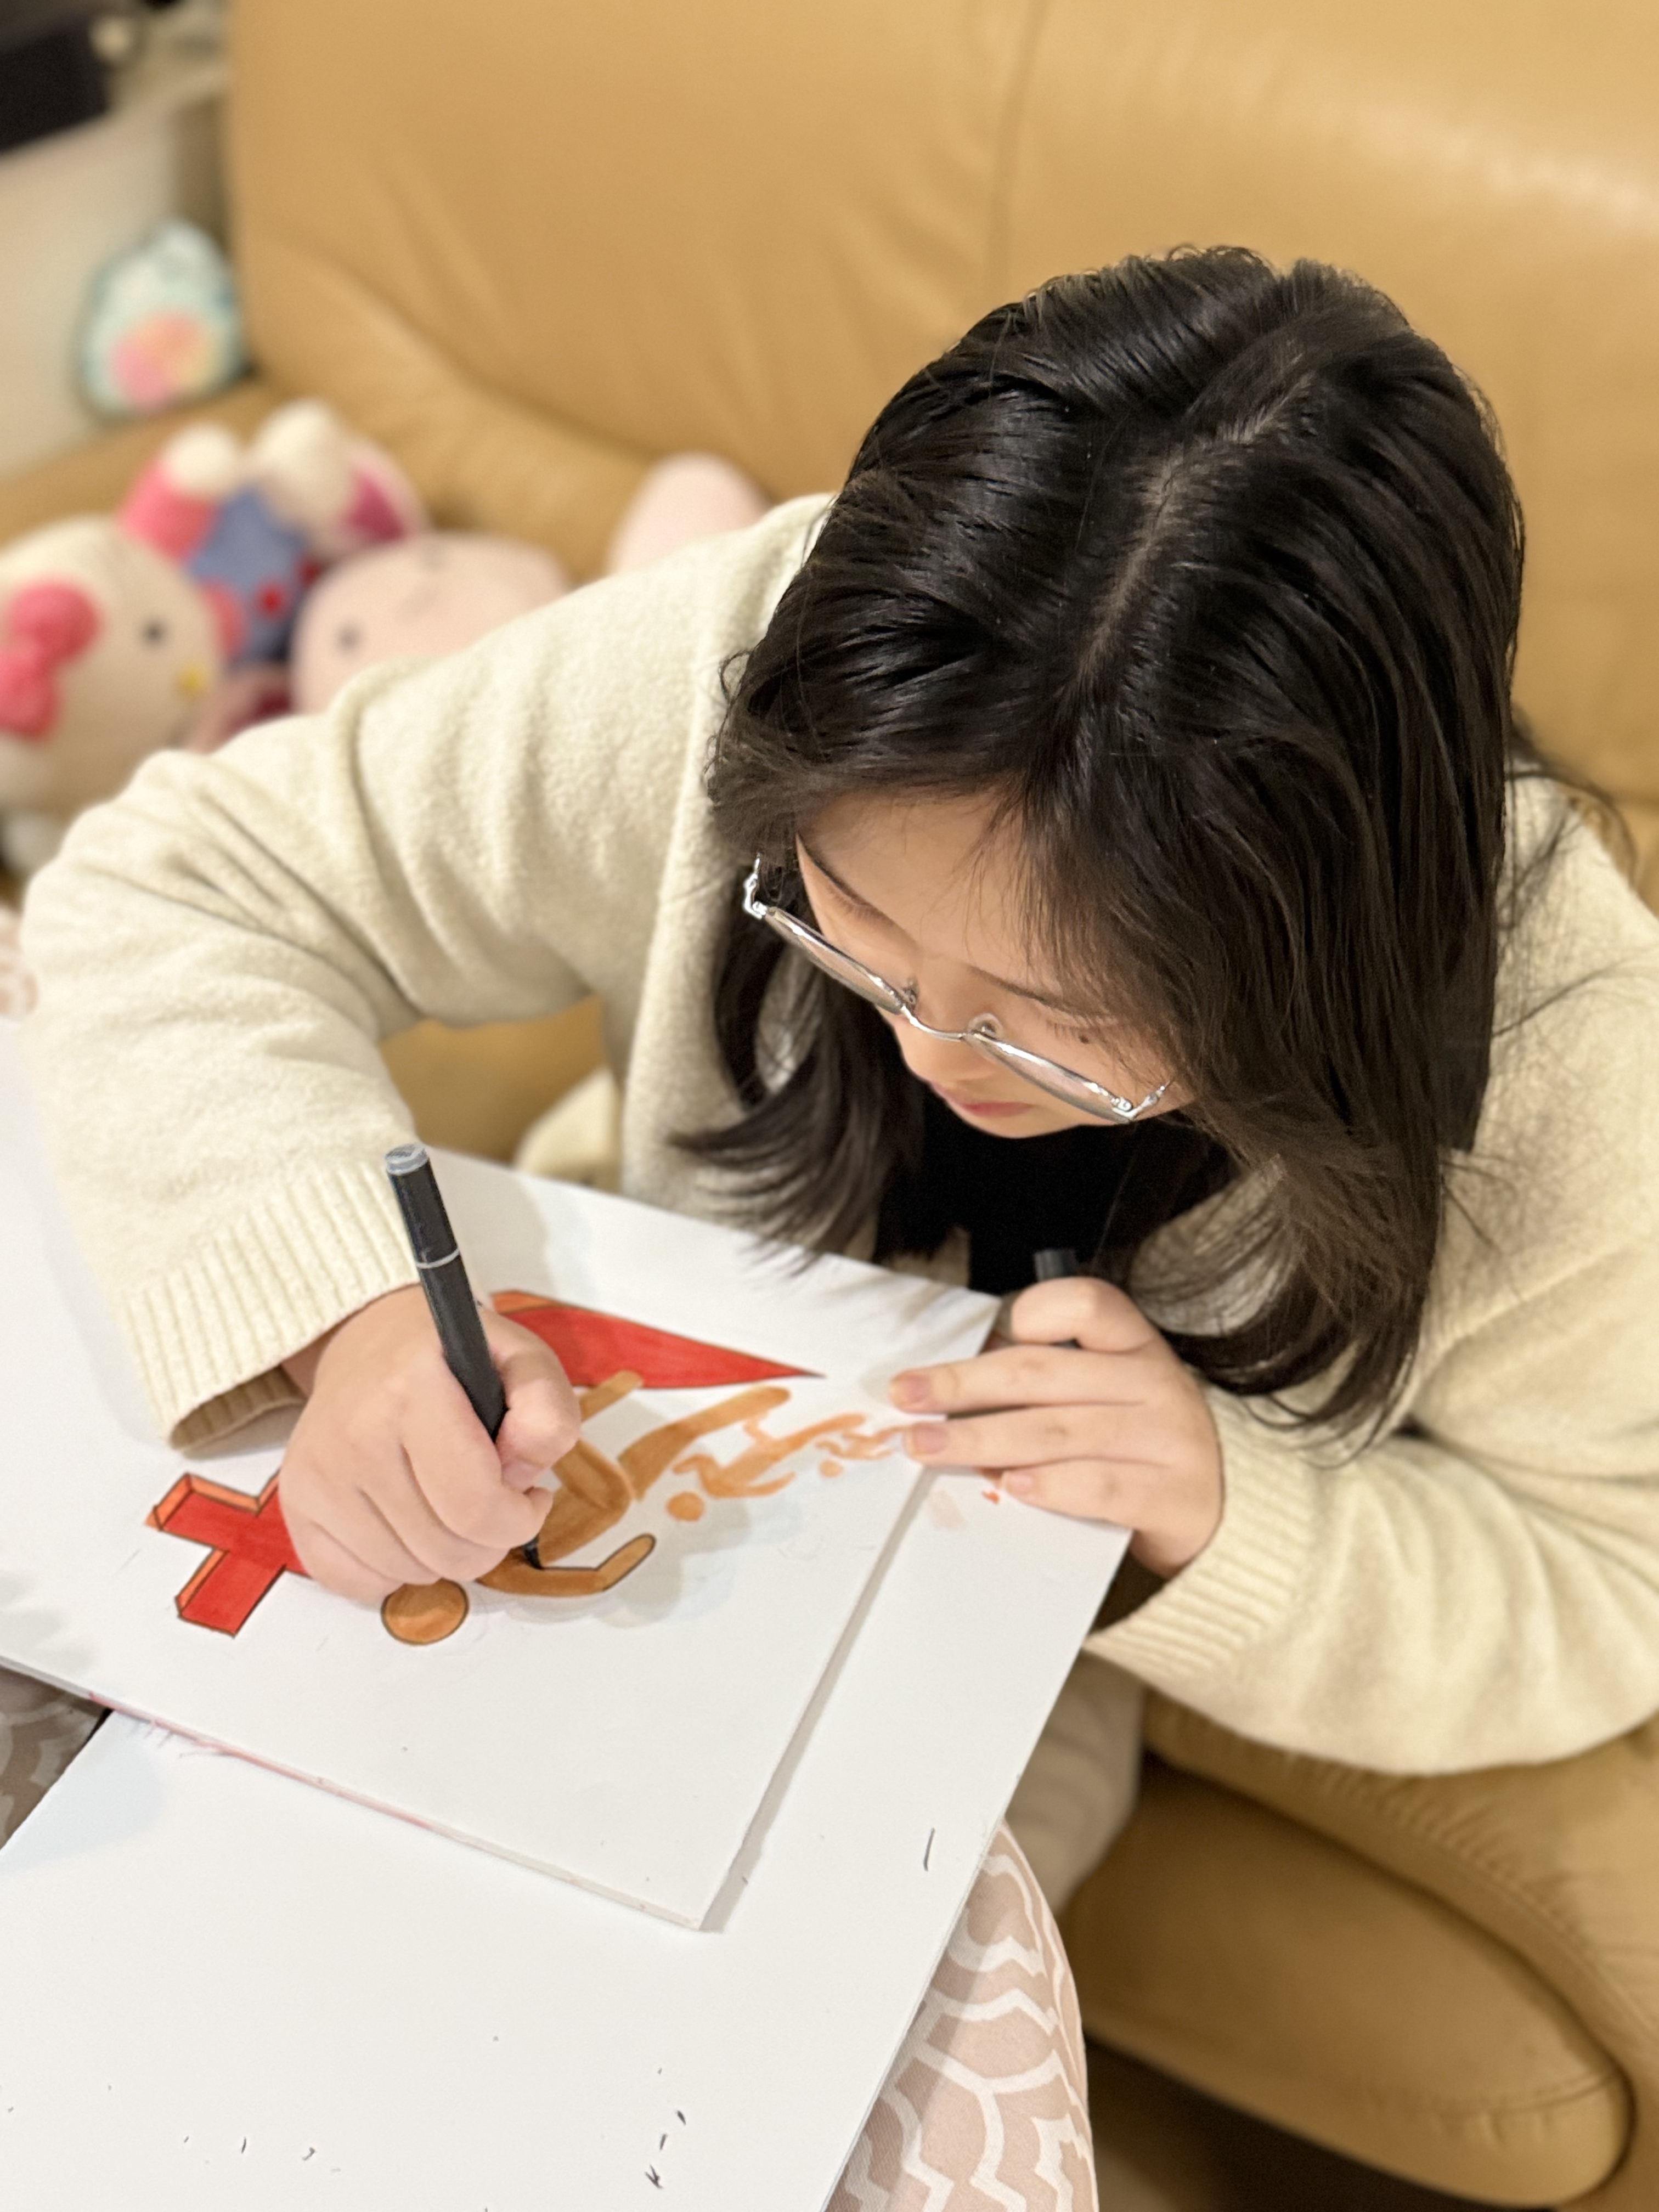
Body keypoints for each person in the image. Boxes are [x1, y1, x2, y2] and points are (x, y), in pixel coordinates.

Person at [20, 247, 1659, 2207]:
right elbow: (191, 877)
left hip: (977, 1668)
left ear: (1329, 959)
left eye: (1067, 1032)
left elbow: (1608, 1582)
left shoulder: (1572, 1053)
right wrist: (351, 1305)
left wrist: (1229, 1510)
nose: (940, 1050)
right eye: (847, 931)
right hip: (577, 1442)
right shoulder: (759, 647)